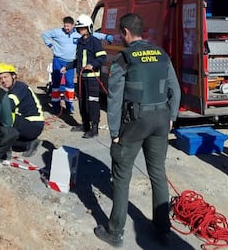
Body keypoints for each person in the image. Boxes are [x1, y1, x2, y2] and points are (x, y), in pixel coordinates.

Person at [94, 13, 181, 247]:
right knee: (158, 173)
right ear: (143, 32)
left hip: (135, 121)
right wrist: (171, 116)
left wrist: (114, 132)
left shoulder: (125, 57)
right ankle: (163, 230)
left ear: (125, 32)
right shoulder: (162, 54)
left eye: (120, 35)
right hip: (162, 119)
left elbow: (114, 98)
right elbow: (175, 88)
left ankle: (115, 232)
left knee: (122, 176)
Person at [41, 16, 113, 115]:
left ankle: (69, 105)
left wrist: (105, 36)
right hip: (58, 61)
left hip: (71, 62)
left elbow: (93, 34)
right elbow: (44, 35)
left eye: (68, 26)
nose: (66, 28)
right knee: (56, 84)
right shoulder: (57, 32)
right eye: (65, 26)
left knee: (70, 84)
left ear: (73, 26)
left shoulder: (78, 33)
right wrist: (51, 46)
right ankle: (55, 105)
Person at [61, 14, 107, 138]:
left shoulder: (95, 42)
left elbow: (103, 57)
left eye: (82, 28)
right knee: (82, 102)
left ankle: (94, 128)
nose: (80, 30)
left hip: (92, 77)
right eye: (79, 28)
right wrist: (68, 66)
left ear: (88, 28)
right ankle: (85, 125)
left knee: (92, 102)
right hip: (81, 78)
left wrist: (93, 64)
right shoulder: (80, 42)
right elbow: (78, 60)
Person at [0, 62, 45, 157]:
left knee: (4, 118)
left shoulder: (20, 87)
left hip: (33, 125)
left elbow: (9, 106)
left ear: (13, 76)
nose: (3, 80)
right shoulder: (12, 90)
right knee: (1, 141)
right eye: (1, 78)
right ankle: (29, 144)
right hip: (26, 124)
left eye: (5, 77)